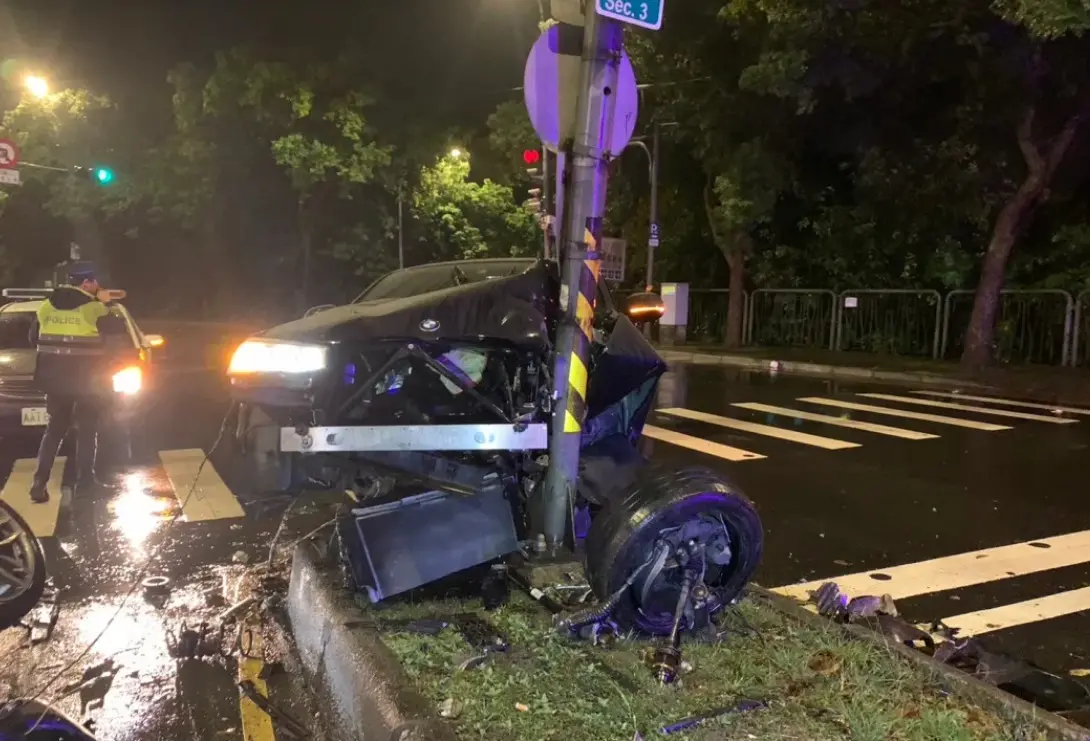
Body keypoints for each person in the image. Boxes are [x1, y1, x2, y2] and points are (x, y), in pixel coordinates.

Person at [28, 263, 127, 503]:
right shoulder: (93, 309)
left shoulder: (46, 306)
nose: (98, 287)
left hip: (54, 382)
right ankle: (86, 483)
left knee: (54, 431)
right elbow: (118, 331)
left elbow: (33, 338)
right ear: (86, 283)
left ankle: (39, 484)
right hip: (86, 382)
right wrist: (108, 303)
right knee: (87, 429)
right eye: (95, 283)